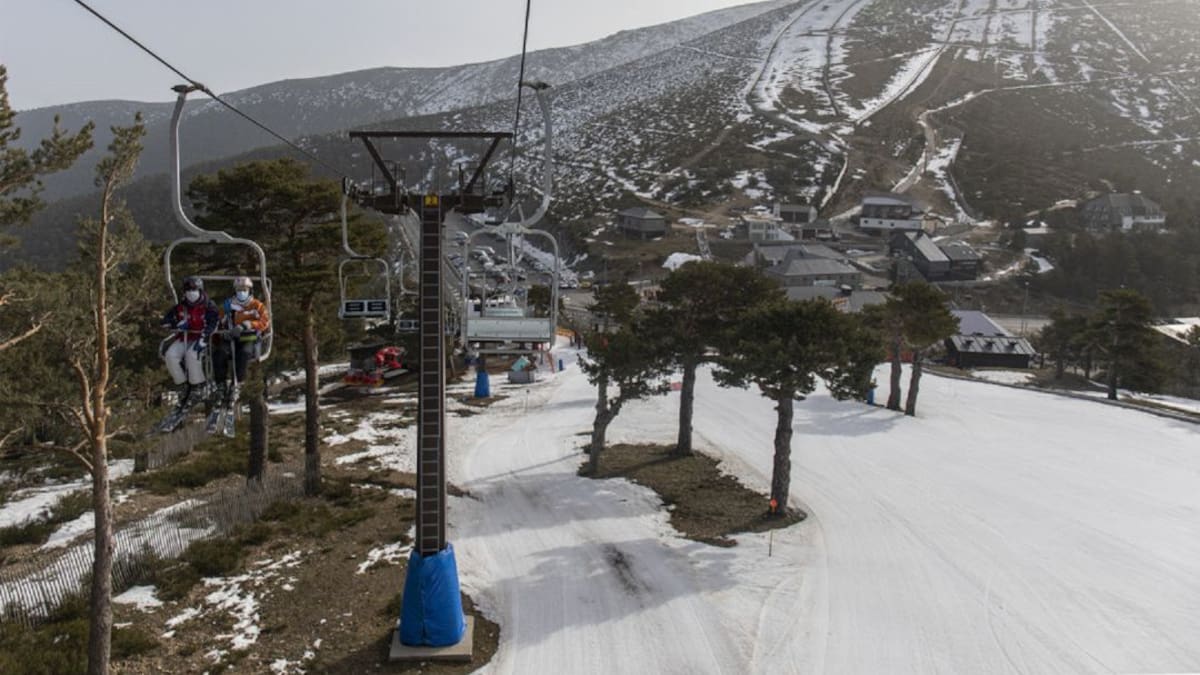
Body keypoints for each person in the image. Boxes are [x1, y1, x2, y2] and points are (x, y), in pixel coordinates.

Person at [160, 276, 219, 413]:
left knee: (192, 355)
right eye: (188, 290)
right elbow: (165, 321)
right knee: (170, 355)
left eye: (194, 289)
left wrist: (203, 338)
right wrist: (177, 324)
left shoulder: (208, 306)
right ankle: (183, 386)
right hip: (184, 338)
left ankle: (197, 385)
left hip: (202, 339)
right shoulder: (181, 307)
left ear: (200, 290)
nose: (191, 293)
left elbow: (213, 323)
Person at [212, 276, 270, 404]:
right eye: (239, 289)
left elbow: (264, 322)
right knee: (219, 354)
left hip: (248, 338)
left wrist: (247, 325)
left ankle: (236, 385)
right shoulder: (228, 305)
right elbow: (218, 320)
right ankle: (221, 386)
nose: (241, 292)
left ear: (250, 290)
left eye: (244, 289)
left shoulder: (256, 305)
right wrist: (222, 331)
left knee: (244, 354)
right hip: (230, 338)